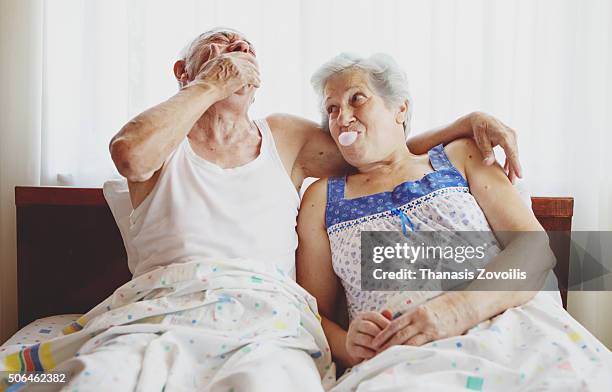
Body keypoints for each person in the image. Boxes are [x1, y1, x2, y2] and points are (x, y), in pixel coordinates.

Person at [296, 52, 612, 391]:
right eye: (331, 109)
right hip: (400, 354)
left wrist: (458, 310)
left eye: (356, 99)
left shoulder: (460, 156)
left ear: (399, 108)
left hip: (509, 326)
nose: (342, 117)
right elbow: (314, 312)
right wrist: (348, 345)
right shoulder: (322, 198)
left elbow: (534, 247)